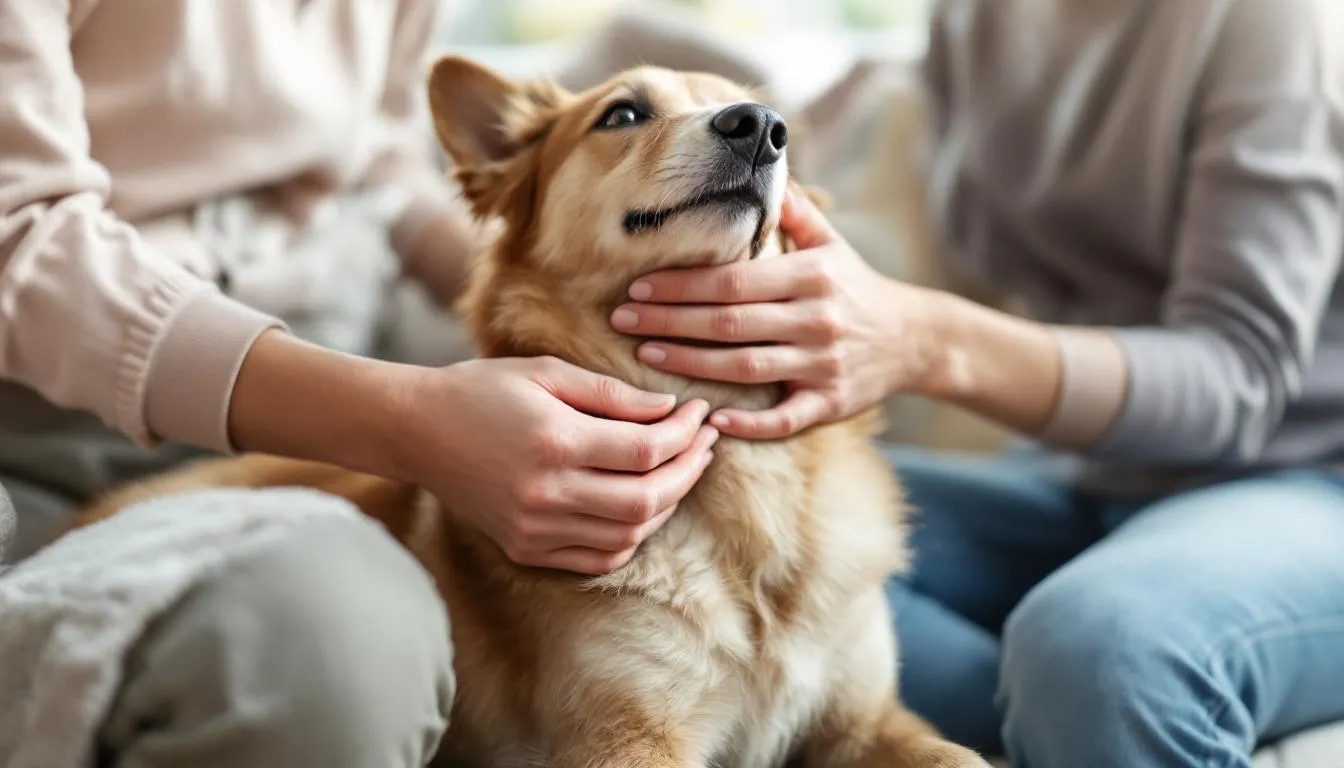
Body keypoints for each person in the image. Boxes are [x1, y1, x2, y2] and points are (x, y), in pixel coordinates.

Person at [610, 0, 1344, 765]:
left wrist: (926, 340)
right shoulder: (971, 16)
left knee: (1106, 650)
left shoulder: (1271, 18)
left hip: (1305, 475)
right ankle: (1066, 709)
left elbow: (1240, 383)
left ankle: (1084, 687)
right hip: (1077, 474)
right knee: (736, 571)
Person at [0, 2, 715, 766]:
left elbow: (377, 164)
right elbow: (19, 233)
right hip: (58, 449)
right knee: (329, 641)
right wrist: (409, 419)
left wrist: (556, 292)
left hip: (353, 396)